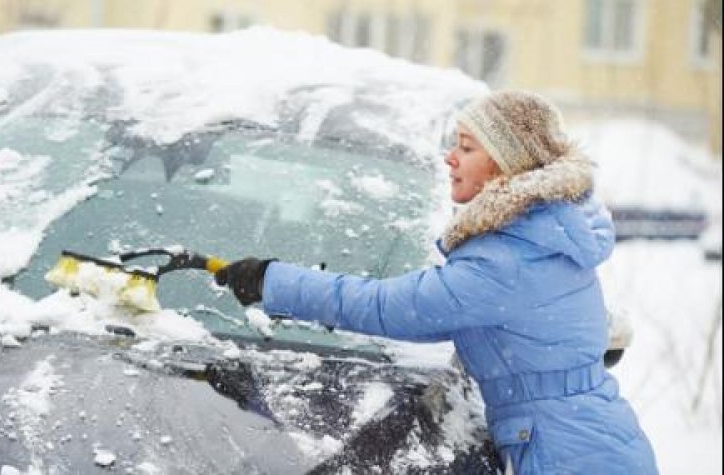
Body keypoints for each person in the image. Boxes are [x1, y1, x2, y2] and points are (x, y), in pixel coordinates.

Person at [214, 90, 659, 474]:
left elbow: (386, 308)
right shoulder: (540, 233)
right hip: (588, 444)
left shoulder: (504, 261)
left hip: (573, 460)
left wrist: (271, 280)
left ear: (506, 163)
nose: (449, 157)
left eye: (466, 147)